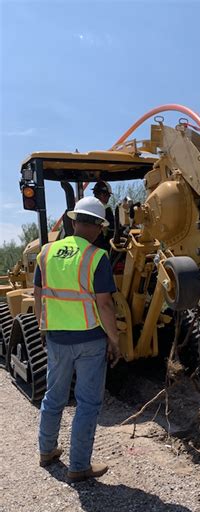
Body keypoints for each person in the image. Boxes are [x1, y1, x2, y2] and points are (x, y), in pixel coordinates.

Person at [34, 196, 121, 482]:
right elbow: (105, 305)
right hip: (90, 341)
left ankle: (47, 451)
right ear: (98, 227)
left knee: (54, 396)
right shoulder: (97, 257)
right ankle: (78, 466)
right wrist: (115, 340)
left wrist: (44, 328)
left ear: (73, 221)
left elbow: (38, 297)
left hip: (57, 338)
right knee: (87, 403)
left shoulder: (45, 253)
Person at [92, 181, 115, 249]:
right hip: (101, 245)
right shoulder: (106, 208)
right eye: (108, 195)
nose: (109, 198)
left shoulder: (87, 207)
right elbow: (112, 227)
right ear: (103, 194)